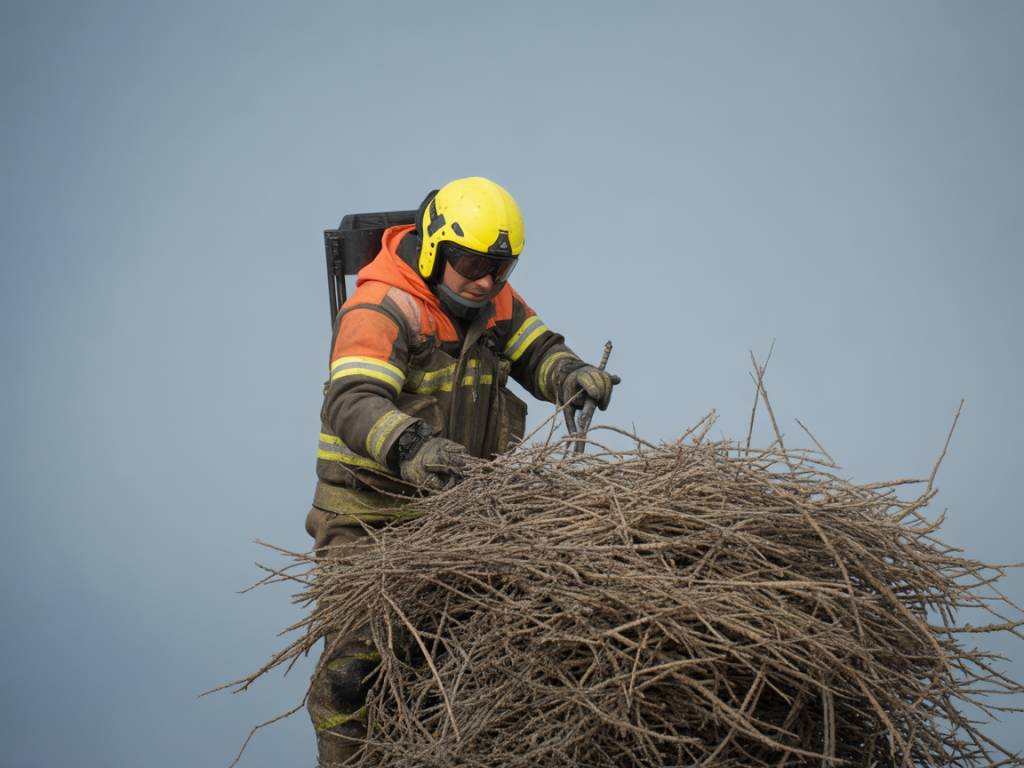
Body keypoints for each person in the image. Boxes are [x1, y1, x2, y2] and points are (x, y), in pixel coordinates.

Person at [304, 176, 618, 764]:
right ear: (433, 251)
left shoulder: (492, 298)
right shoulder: (381, 306)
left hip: (458, 515)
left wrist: (570, 375)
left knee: (455, 667)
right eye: (472, 264)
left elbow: (536, 349)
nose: (486, 281)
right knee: (353, 674)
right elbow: (353, 400)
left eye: (500, 267)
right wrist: (414, 447)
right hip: (369, 520)